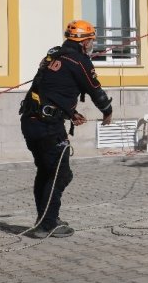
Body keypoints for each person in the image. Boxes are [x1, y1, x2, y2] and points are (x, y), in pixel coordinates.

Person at [20, 20, 113, 238]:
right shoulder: (80, 61)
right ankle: (47, 225)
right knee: (61, 174)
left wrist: (71, 114)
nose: (92, 44)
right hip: (47, 126)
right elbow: (95, 90)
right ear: (85, 40)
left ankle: (45, 219)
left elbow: (49, 89)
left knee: (45, 171)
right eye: (91, 40)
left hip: (30, 121)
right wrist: (107, 111)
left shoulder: (53, 56)